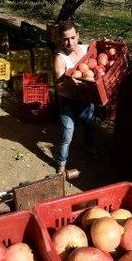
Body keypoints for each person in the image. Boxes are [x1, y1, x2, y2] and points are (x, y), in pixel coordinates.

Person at [53, 20, 97, 174]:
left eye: (72, 37)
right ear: (60, 39)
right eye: (65, 39)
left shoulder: (87, 51)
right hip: (69, 102)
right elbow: (59, 87)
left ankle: (90, 149)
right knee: (67, 134)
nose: (69, 42)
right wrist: (69, 83)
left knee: (90, 126)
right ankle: (62, 164)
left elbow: (98, 63)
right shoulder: (60, 58)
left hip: (87, 99)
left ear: (78, 35)